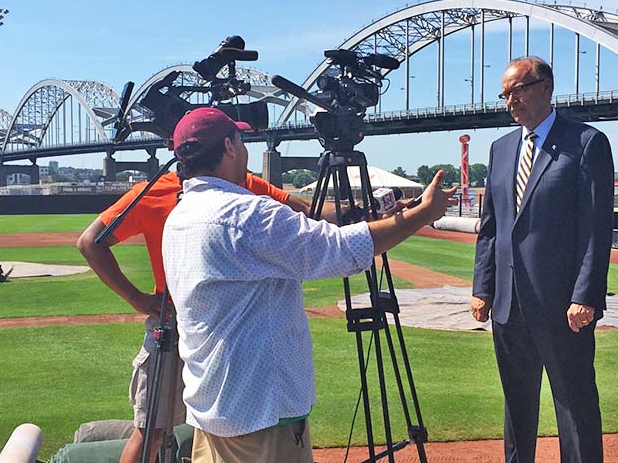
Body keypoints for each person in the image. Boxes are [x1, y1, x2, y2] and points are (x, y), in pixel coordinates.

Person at [160, 107, 455, 463]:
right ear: (229, 146)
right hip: (263, 414)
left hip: (214, 407)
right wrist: (421, 215)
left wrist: (384, 216)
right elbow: (341, 250)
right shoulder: (245, 214)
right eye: (241, 139)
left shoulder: (180, 216)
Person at [77, 132, 330, 463]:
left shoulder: (244, 186)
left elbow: (308, 212)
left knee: (194, 428)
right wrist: (137, 299)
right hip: (188, 327)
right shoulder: (161, 191)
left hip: (211, 329)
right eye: (234, 140)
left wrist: (375, 210)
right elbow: (90, 242)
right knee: (155, 430)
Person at [470, 56, 614, 463]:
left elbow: (595, 228)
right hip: (508, 305)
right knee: (516, 406)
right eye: (505, 94)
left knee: (574, 405)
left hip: (563, 306)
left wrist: (586, 295)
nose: (509, 100)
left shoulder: (585, 143)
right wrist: (483, 287)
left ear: (546, 87)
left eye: (517, 90)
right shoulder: (500, 149)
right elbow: (491, 228)